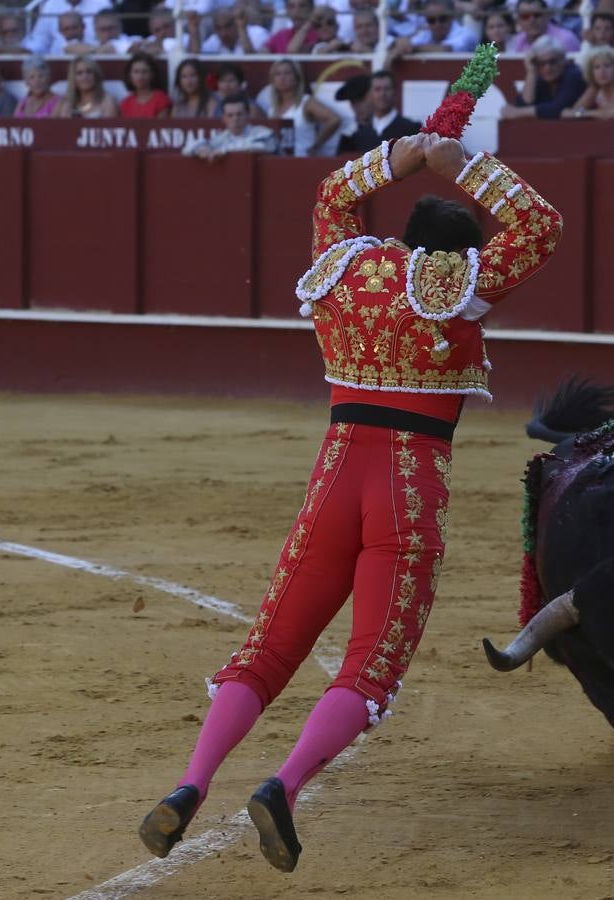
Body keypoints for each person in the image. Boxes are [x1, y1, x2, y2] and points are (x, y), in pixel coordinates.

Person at [139, 130, 562, 874]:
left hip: (333, 478)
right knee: (371, 664)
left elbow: (334, 192)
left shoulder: (342, 268)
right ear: (459, 258)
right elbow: (541, 227)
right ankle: (283, 785)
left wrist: (408, 155)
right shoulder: (456, 289)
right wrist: (463, 165)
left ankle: (191, 782)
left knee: (269, 647)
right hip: (408, 490)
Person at [261, 59, 341, 157]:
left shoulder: (306, 103)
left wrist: (316, 145)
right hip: (279, 161)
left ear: (297, 77)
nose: (282, 78)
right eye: (277, 74)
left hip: (303, 159)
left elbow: (334, 120)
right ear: (273, 81)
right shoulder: (272, 109)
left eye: (287, 73)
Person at [501, 35, 586, 120]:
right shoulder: (540, 77)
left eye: (552, 62)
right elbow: (523, 105)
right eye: (541, 63)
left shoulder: (574, 74)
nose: (547, 68)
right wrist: (531, 72)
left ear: (564, 60)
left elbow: (557, 109)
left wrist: (518, 112)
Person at [336, 70, 420, 153]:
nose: (382, 94)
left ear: (395, 92)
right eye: (377, 89)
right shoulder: (357, 134)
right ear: (370, 94)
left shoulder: (411, 129)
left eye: (387, 89)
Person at [183, 94, 277, 159]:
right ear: (223, 119)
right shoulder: (221, 138)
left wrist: (224, 151)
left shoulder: (264, 133)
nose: (235, 119)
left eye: (239, 114)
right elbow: (187, 149)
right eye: (230, 115)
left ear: (248, 115)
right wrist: (201, 150)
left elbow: (266, 147)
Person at [387, 0, 479, 60]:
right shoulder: (425, 33)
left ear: (452, 16)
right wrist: (400, 45)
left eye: (442, 18)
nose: (437, 24)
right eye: (431, 20)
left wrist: (412, 48)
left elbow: (446, 49)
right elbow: (410, 44)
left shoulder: (467, 35)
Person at [563, 45, 614, 119]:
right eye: (597, 67)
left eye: (607, 66)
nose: (602, 71)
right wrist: (584, 113)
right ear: (591, 72)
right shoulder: (595, 88)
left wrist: (583, 113)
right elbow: (567, 113)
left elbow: (610, 113)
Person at [53, 57, 119, 118]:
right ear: (73, 79)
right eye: (79, 73)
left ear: (96, 76)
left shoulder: (107, 101)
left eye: (89, 72)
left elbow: (108, 126)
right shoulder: (65, 101)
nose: (85, 77)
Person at [508, 0, 581, 53]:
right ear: (518, 20)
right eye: (525, 16)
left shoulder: (566, 40)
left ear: (547, 15)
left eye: (537, 15)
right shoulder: (516, 42)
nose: (532, 20)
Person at [120, 51, 172, 118]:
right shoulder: (125, 103)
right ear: (130, 75)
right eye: (136, 72)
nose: (140, 76)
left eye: (145, 71)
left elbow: (161, 124)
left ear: (152, 74)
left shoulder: (161, 99)